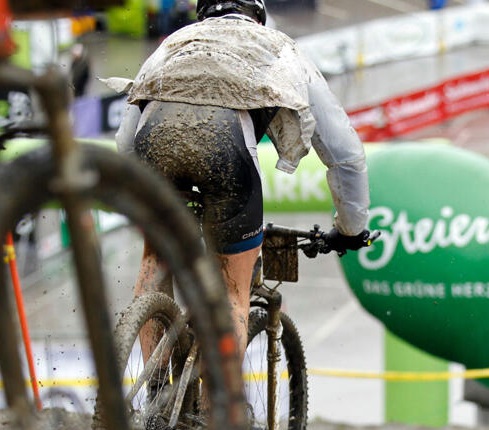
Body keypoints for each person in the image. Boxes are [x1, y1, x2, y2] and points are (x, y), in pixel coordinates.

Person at [111, 0, 372, 363]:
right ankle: (221, 412)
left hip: (155, 145)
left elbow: (124, 143)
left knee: (156, 259)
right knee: (231, 292)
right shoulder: (279, 46)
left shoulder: (173, 44)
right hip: (224, 148)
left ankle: (154, 390)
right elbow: (344, 154)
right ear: (258, 15)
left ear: (202, 14)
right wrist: (351, 229)